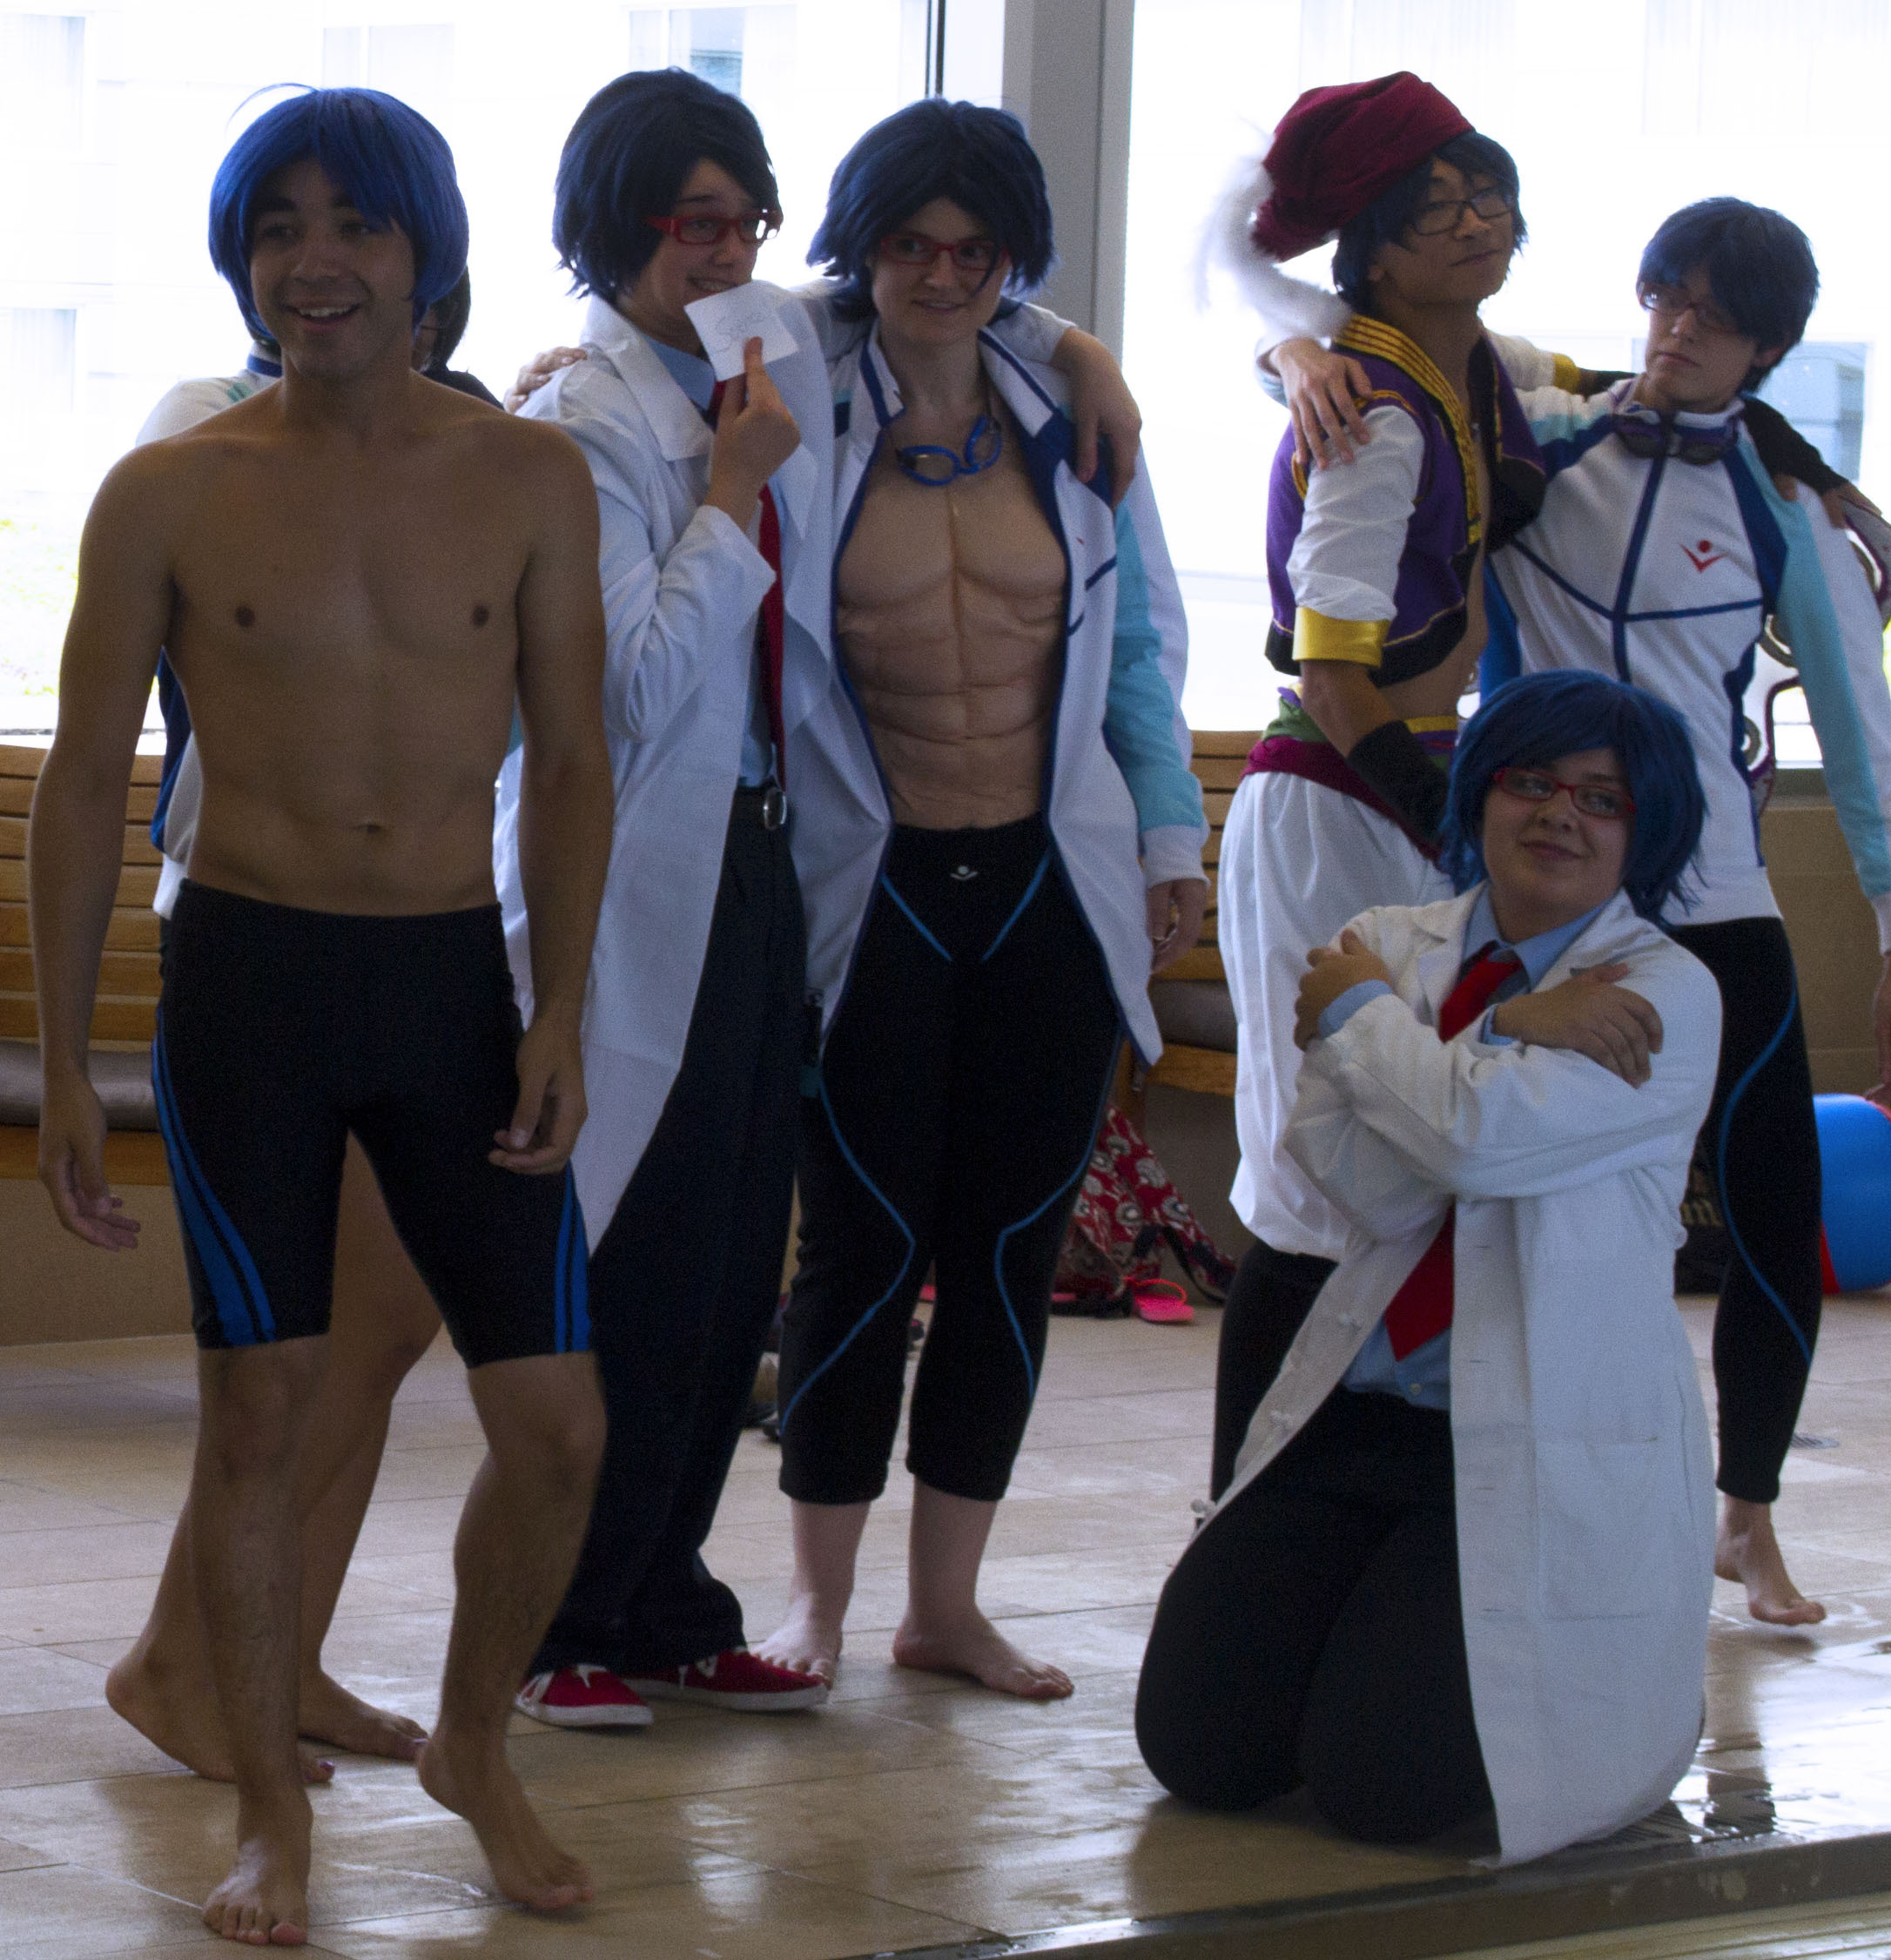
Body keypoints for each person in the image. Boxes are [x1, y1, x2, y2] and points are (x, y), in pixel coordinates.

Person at [29, 87, 615, 1940]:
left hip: (449, 980)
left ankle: (474, 1745)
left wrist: (562, 1009)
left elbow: (576, 761)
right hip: (251, 986)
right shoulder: (172, 490)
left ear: (425, 250)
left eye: (353, 222)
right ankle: (270, 1812)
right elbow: (84, 780)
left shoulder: (529, 478)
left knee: (559, 1423)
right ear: (242, 263)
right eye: (277, 228)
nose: (315, 260)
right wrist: (68, 1058)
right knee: (261, 1416)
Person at [499, 71, 1147, 1731]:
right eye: (689, 222)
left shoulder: (824, 366)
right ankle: (592, 1615)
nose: (725, 252)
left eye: (743, 222)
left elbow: (1135, 636)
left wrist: (1085, 347)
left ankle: (686, 1602)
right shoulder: (633, 409)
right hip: (711, 863)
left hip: (848, 862)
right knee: (703, 1253)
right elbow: (632, 686)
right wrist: (731, 485)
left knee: (764, 1262)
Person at [1265, 197, 1891, 1625]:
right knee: (1479, 1189)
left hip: (1717, 898)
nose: (1678, 331)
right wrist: (1294, 359)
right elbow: (1370, 346)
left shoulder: (1783, 505)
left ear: (1768, 348)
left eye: (1714, 317)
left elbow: (1861, 734)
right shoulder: (1539, 434)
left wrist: (1888, 924)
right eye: (1665, 298)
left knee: (1775, 1208)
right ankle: (1435, 1482)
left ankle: (1749, 1517)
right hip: (1538, 896)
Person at [753, 99, 1208, 1701]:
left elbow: (1137, 649)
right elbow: (684, 326)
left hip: (1043, 882)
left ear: (1014, 261)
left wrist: (1169, 842)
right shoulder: (798, 391)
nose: (942, 278)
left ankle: (946, 1606)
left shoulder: (1069, 418)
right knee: (860, 1246)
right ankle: (814, 1599)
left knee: (1009, 1246)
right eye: (909, 247)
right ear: (860, 248)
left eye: (977, 252)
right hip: (871, 882)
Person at [1138, 670, 1720, 1862]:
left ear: (1645, 829)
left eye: (1602, 799)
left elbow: (1470, 1141)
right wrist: (1503, 1025)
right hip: (1361, 1418)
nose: (1559, 815)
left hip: (1533, 1435)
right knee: (1200, 1749)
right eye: (1532, 782)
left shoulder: (1664, 992)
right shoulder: (1392, 942)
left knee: (1387, 1792)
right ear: (1481, 794)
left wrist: (1383, 1026)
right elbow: (1365, 1179)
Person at [102, 253, 515, 1788]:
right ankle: (181, 1659)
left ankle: (278, 1652)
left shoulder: (464, 444)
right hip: (255, 923)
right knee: (297, 1346)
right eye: (296, 236)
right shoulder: (203, 428)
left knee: (379, 1320)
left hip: (410, 937)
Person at [1203, 73, 1552, 1497]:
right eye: (1434, 209)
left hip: (1403, 789)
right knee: (1320, 1172)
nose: (1475, 223)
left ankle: (1353, 1513)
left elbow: (1618, 393)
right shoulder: (1378, 413)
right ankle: (1240, 1522)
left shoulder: (1468, 367)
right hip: (1341, 794)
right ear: (1373, 250)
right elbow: (1336, 672)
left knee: (1407, 1159)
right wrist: (1452, 828)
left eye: (1488, 194)